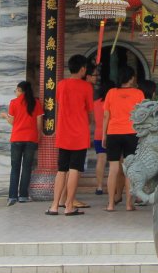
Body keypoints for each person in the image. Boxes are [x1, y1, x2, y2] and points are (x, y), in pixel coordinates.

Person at [46, 55, 93, 216]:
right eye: (85, 68)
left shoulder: (61, 85)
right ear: (82, 69)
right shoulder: (86, 87)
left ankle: (54, 206)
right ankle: (69, 206)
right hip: (79, 134)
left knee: (62, 169)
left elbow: (60, 104)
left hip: (64, 132)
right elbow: (89, 111)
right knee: (75, 169)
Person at [103, 66, 145, 211]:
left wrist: (104, 135)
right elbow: (142, 117)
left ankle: (110, 204)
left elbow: (106, 116)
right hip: (131, 134)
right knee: (129, 170)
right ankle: (128, 204)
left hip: (113, 133)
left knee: (113, 169)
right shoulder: (139, 94)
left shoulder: (111, 93)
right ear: (132, 78)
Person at [1, 80, 43, 205]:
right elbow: (39, 121)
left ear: (20, 90)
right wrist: (38, 135)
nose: (16, 92)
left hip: (17, 138)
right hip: (31, 138)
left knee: (15, 168)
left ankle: (12, 196)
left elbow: (13, 122)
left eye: (16, 90)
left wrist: (5, 116)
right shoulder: (36, 103)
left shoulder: (14, 102)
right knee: (26, 167)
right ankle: (23, 195)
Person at [90, 63, 110, 196]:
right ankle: (114, 187)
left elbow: (92, 119)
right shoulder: (112, 103)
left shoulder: (95, 103)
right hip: (112, 134)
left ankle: (99, 187)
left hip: (98, 134)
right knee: (116, 162)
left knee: (100, 160)